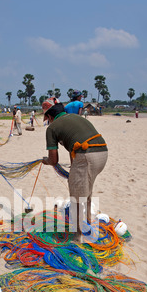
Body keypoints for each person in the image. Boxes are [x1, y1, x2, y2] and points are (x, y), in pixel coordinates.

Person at [41, 97, 108, 243]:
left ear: (50, 116)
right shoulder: (75, 117)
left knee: (76, 198)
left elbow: (53, 160)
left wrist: (44, 161)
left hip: (87, 156)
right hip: (102, 153)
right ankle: (89, 220)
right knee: (87, 189)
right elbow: (75, 147)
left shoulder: (52, 128)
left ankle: (78, 237)